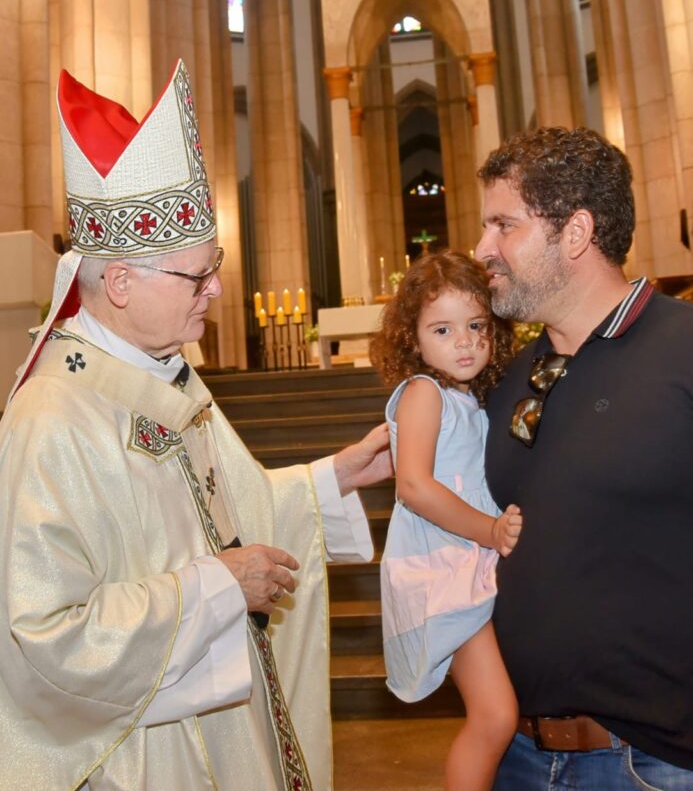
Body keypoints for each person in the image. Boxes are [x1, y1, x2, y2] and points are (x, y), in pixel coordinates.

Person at [0, 60, 392, 791]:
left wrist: (333, 478)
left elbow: (231, 516)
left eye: (215, 266)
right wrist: (214, 589)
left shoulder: (166, 376)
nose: (215, 289)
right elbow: (42, 635)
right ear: (120, 283)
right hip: (140, 755)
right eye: (197, 274)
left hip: (220, 728)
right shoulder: (54, 417)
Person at [475, 127, 693, 790]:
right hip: (519, 756)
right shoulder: (511, 379)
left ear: (574, 233)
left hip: (651, 763)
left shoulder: (682, 351)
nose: (482, 249)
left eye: (503, 225)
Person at [369, 250, 522, 791]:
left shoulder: (468, 400)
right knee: (495, 716)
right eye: (443, 329)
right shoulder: (424, 393)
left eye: (476, 326)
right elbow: (413, 486)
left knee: (498, 710)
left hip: (466, 557)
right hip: (441, 563)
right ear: (412, 338)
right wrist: (490, 530)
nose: (465, 342)